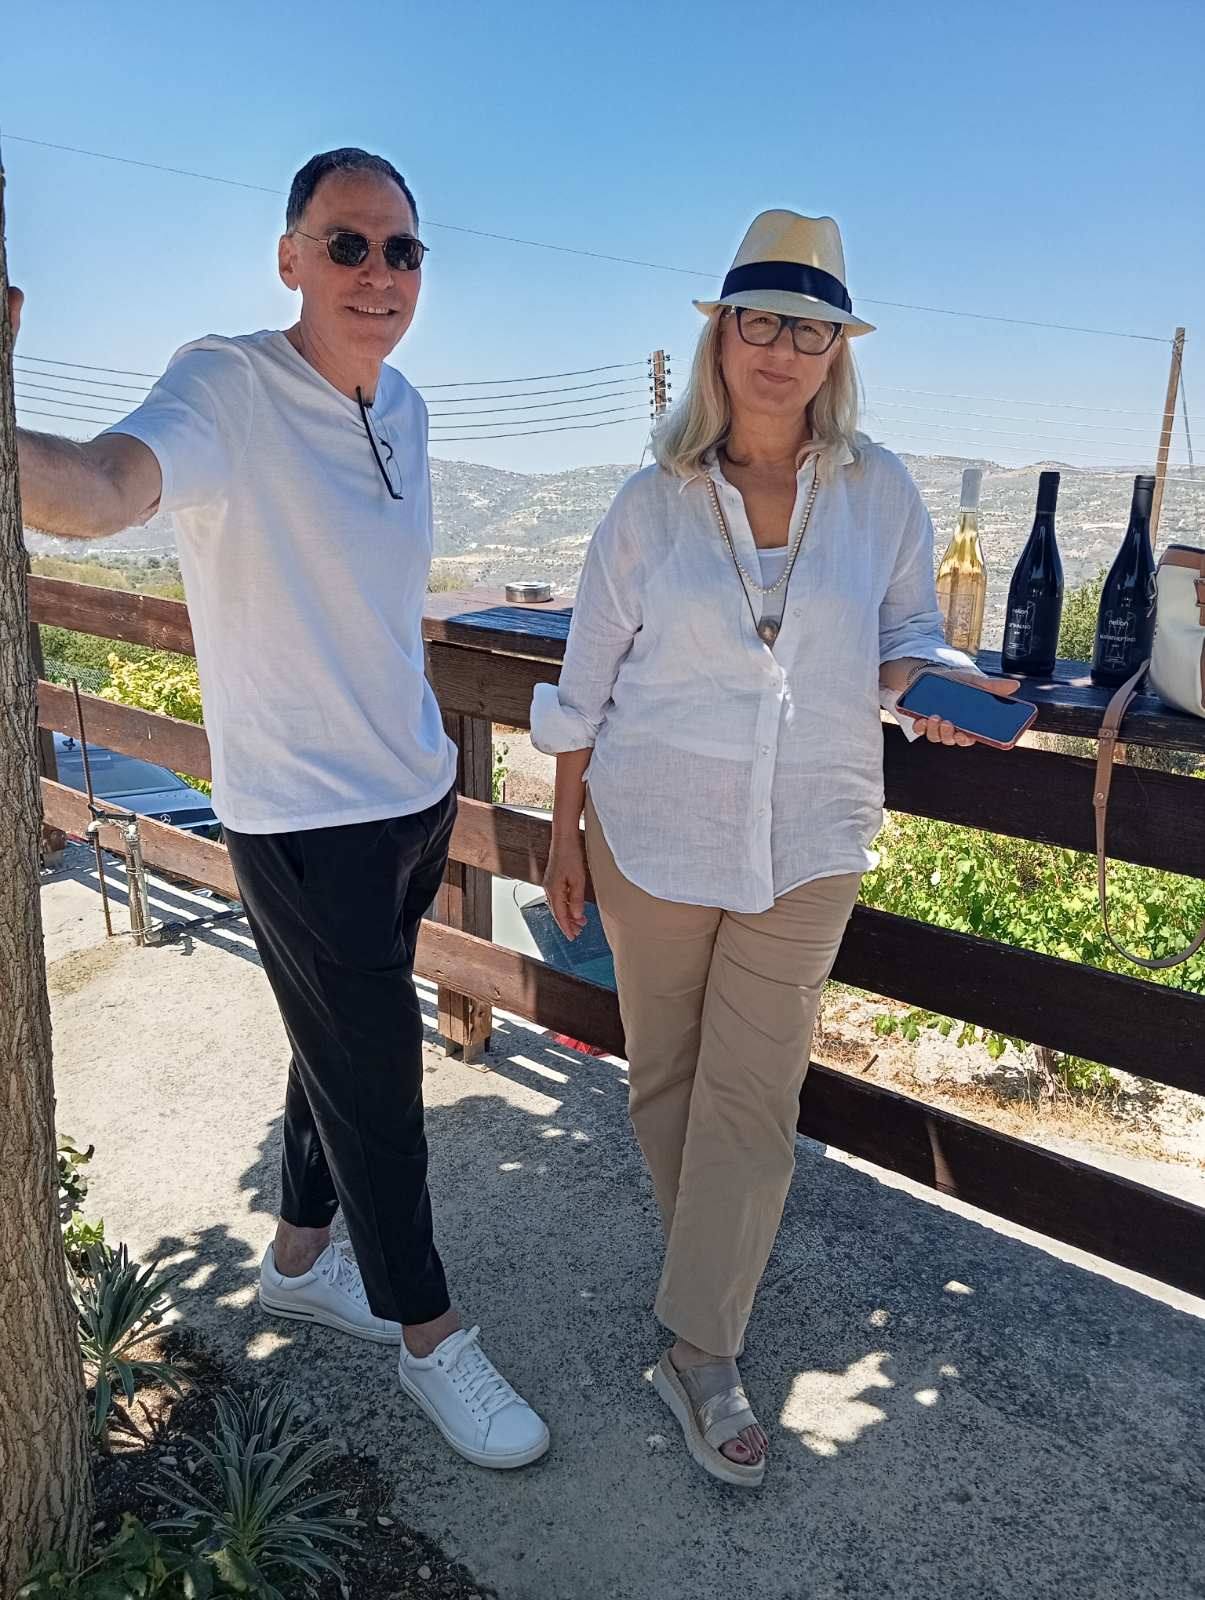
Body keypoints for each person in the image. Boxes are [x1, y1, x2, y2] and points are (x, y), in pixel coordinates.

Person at [12, 147, 548, 1471]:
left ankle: (301, 1260)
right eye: (347, 243)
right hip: (303, 822)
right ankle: (430, 1334)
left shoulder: (405, 405)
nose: (378, 272)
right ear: (290, 257)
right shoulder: (227, 385)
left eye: (402, 249)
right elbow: (102, 488)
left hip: (413, 792)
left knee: (337, 1045)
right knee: (380, 1081)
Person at [533, 210, 1019, 1488]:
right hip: (650, 829)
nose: (782, 350)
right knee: (667, 1079)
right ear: (720, 337)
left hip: (808, 835)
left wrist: (932, 686)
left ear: (834, 352)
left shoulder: (879, 491)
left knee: (753, 1095)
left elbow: (903, 631)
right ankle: (706, 1279)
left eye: (810, 330)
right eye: (760, 320)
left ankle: (700, 1350)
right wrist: (561, 833)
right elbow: (583, 686)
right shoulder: (647, 504)